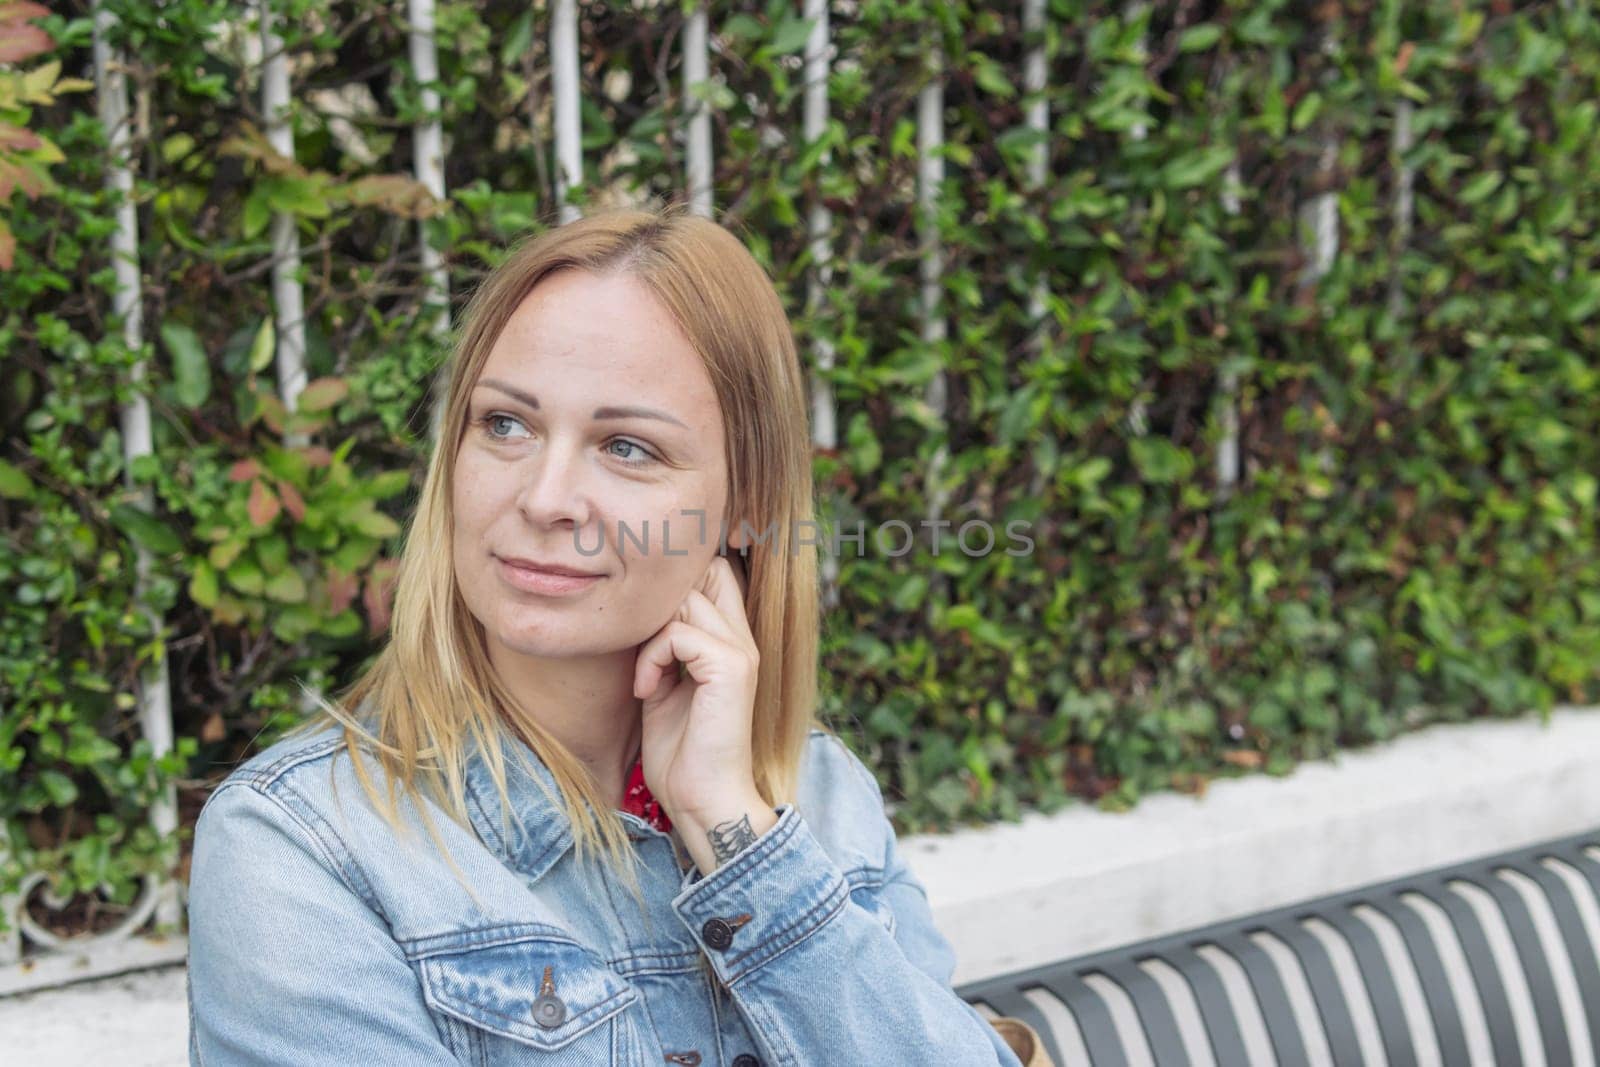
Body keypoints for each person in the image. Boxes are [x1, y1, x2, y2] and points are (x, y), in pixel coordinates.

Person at [185, 206, 1033, 1066]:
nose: (546, 497)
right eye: (505, 425)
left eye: (626, 446)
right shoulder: (305, 846)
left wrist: (729, 824)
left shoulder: (819, 795)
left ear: (746, 507)